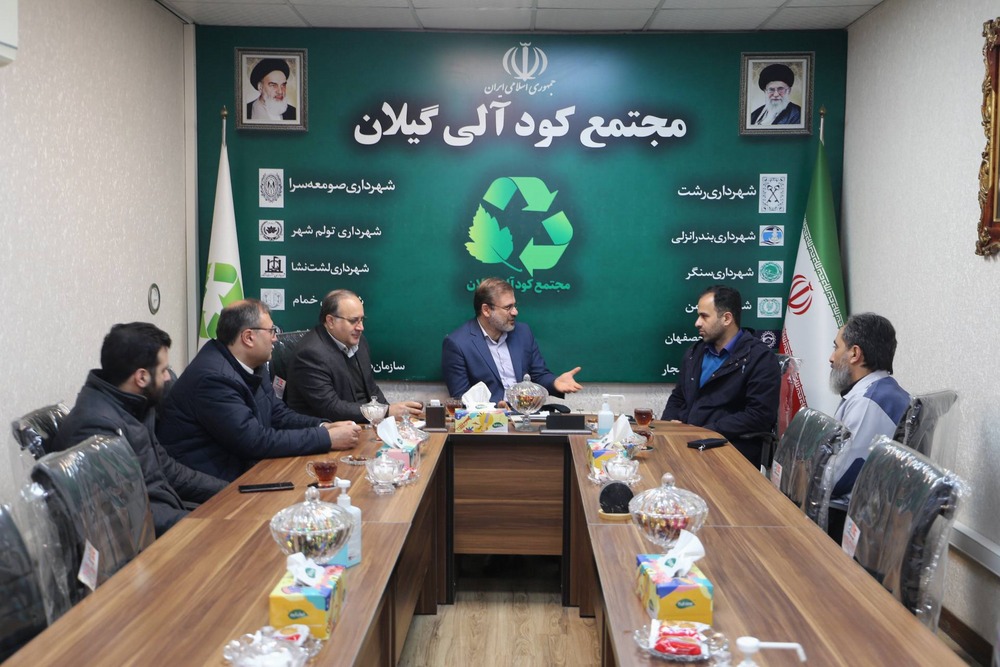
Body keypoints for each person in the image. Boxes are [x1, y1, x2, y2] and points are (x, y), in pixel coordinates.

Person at [51, 323, 226, 537]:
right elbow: (125, 514)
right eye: (163, 370)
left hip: (167, 518)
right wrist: (201, 526)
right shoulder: (97, 427)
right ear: (141, 377)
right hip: (147, 542)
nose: (168, 378)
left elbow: (168, 470)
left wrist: (228, 490)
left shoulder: (135, 407)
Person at [157, 299, 360, 481]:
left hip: (245, 469)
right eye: (271, 331)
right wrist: (326, 439)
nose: (275, 338)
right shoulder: (214, 378)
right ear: (248, 337)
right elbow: (253, 441)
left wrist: (324, 426)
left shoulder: (253, 364)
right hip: (214, 484)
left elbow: (278, 414)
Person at [661, 285, 780, 468]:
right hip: (687, 446)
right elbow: (678, 396)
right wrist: (669, 425)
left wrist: (704, 432)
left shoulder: (760, 358)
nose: (697, 323)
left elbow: (759, 415)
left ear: (726, 318)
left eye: (704, 316)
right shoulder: (694, 353)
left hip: (730, 453)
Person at [285, 289, 422, 422]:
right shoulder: (310, 354)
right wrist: (384, 412)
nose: (360, 327)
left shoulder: (359, 342)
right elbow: (331, 408)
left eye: (362, 320)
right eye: (353, 321)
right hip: (329, 429)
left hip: (361, 424)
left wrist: (392, 418)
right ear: (331, 321)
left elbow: (372, 390)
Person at [441, 277, 582, 403]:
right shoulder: (457, 344)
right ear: (486, 310)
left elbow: (538, 375)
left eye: (514, 305)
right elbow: (462, 398)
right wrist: (497, 409)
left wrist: (555, 382)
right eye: (508, 307)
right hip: (487, 420)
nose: (515, 312)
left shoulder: (523, 332)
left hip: (526, 414)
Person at [828, 313, 910, 501]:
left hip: (849, 511)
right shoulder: (884, 390)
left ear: (855, 354)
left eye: (836, 347)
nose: (831, 358)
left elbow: (838, 479)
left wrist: (804, 471)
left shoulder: (869, 402)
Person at [246, 58, 297, 122]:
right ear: (260, 87)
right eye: (273, 85)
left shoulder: (294, 113)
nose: (280, 91)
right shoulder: (245, 111)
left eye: (283, 85)